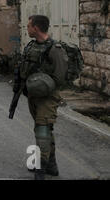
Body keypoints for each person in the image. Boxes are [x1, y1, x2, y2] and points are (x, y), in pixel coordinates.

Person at [14, 15, 68, 180]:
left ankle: (41, 170)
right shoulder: (31, 46)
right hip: (33, 96)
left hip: (47, 98)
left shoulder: (55, 49)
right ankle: (52, 166)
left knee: (42, 131)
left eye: (29, 26)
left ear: (36, 28)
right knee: (43, 130)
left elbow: (60, 78)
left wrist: (42, 86)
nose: (27, 29)